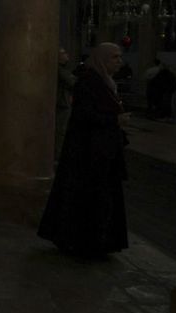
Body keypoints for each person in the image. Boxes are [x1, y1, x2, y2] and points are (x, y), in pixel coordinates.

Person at [38, 42, 130, 257]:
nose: (119, 61)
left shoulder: (105, 82)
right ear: (102, 59)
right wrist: (115, 120)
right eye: (114, 57)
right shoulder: (90, 81)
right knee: (88, 196)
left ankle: (100, 241)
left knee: (102, 197)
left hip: (102, 149)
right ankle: (85, 242)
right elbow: (85, 115)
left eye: (119, 57)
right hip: (89, 152)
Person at [55, 48, 77, 160]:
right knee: (60, 131)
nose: (67, 55)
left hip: (63, 102)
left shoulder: (62, 70)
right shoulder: (59, 70)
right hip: (62, 103)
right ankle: (58, 156)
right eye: (63, 53)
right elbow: (73, 82)